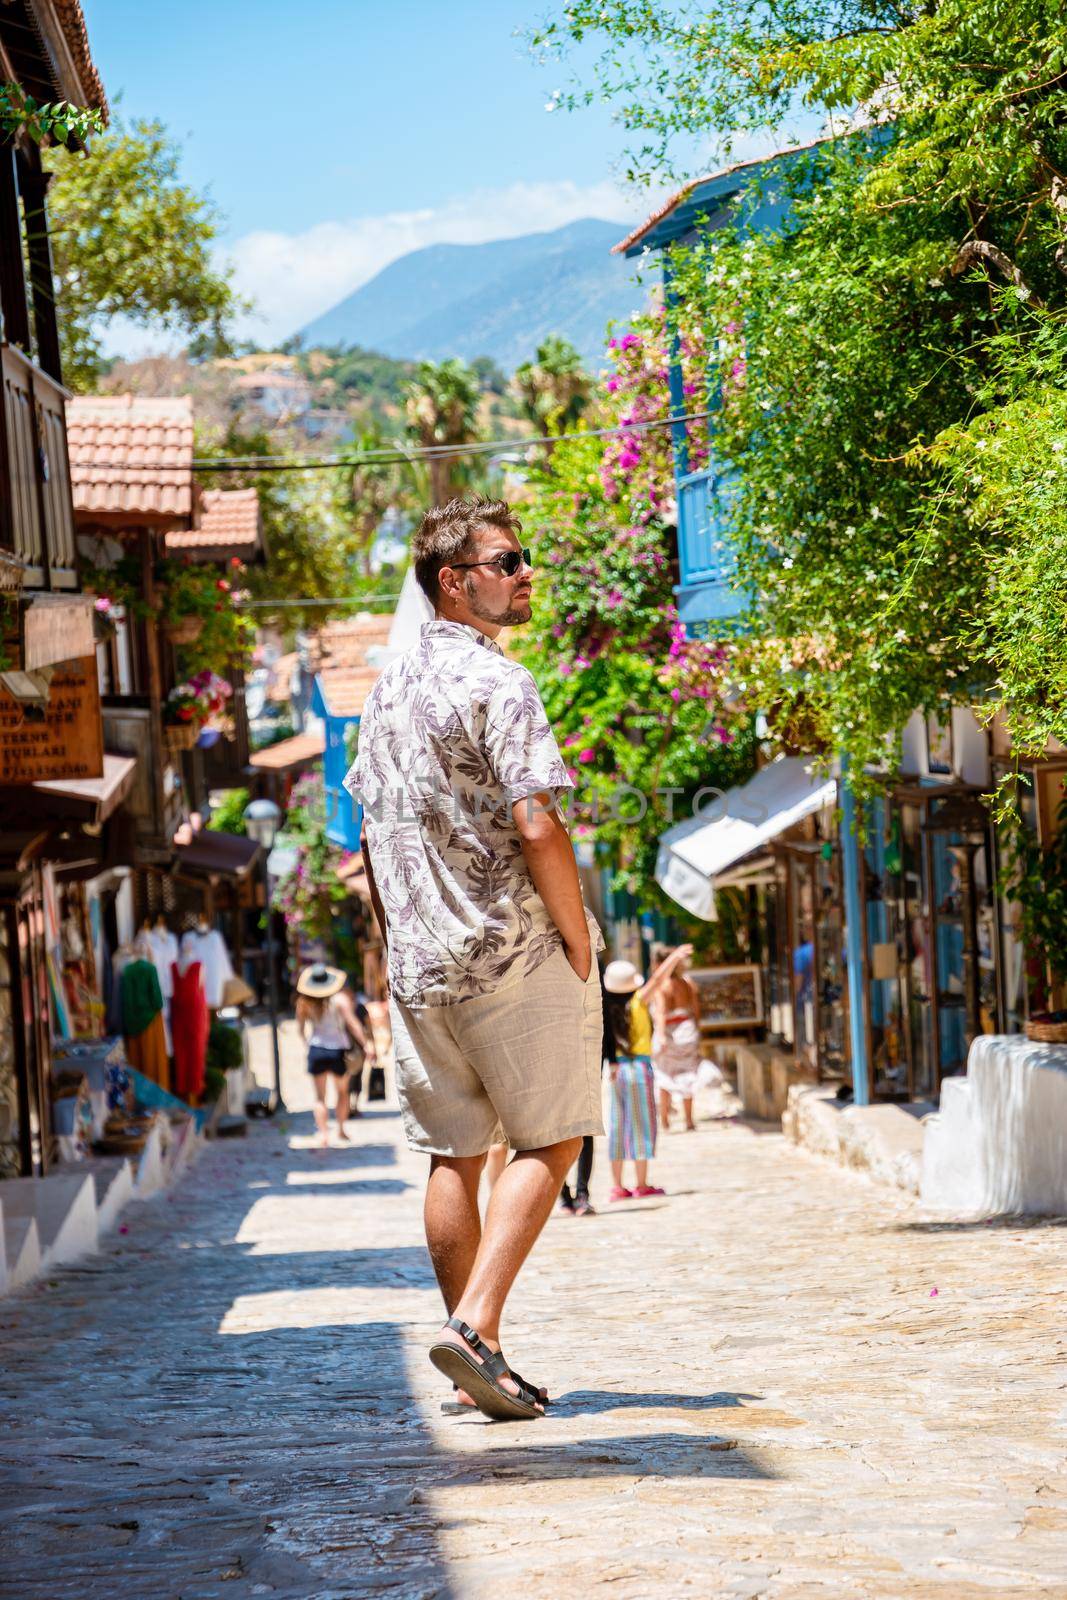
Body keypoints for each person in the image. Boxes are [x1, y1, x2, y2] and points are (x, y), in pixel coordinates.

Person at [347, 496, 604, 1421]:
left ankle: (477, 1352)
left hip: (420, 964)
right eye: (508, 560)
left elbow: (369, 840)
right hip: (513, 951)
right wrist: (577, 939)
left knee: (453, 1155)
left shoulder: (382, 695)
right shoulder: (500, 683)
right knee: (553, 1134)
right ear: (454, 582)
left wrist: (392, 944)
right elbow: (538, 819)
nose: (526, 571)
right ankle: (476, 1327)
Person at [295, 964, 374, 1147]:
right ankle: (340, 1129)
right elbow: (354, 1025)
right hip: (338, 1050)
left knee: (320, 1097)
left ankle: (323, 1134)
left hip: (316, 1049)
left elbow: (300, 1030)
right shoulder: (339, 1000)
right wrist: (366, 1044)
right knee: (342, 1092)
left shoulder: (303, 1003)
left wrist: (307, 1043)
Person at [650, 944, 704, 1132]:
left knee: (665, 1076)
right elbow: (696, 1010)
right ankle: (689, 1120)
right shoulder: (688, 983)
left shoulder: (662, 987)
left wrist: (661, 1036)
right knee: (688, 1074)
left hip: (670, 1033)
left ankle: (665, 1121)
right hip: (687, 1030)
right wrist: (696, 1029)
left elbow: (661, 1013)